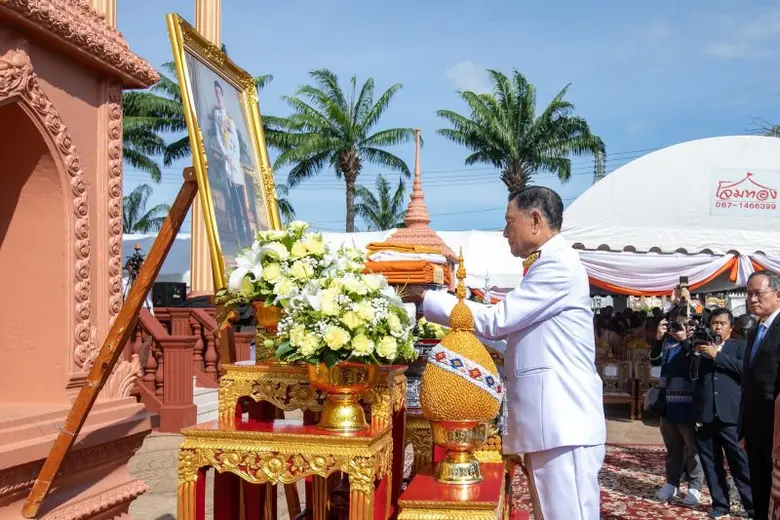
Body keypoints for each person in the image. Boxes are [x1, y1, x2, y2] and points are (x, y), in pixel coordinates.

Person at [405, 186, 606, 519]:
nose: (504, 232)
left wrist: (426, 299)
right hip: (553, 422)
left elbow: (497, 321)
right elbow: (517, 336)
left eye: (510, 222)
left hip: (563, 421)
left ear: (535, 220)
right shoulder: (549, 263)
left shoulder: (557, 264)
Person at [691, 308, 753, 518]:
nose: (717, 327)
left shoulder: (739, 346)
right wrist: (693, 351)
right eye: (714, 323)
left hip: (730, 415)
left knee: (740, 463)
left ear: (731, 327)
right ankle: (719, 504)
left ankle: (751, 506)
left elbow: (745, 370)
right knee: (710, 463)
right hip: (705, 414)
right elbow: (691, 375)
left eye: (722, 323)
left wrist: (717, 355)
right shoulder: (699, 347)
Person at [650, 307, 704, 505]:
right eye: (675, 323)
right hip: (668, 402)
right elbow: (654, 362)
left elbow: (695, 365)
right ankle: (672, 483)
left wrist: (684, 341)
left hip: (689, 404)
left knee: (692, 448)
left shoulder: (697, 343)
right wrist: (658, 339)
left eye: (684, 323)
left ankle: (695, 487)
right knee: (673, 448)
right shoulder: (667, 343)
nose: (679, 327)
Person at [739, 270, 780, 520]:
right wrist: (744, 428)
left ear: (778, 294)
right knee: (760, 489)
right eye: (749, 294)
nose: (753, 299)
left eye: (758, 293)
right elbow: (749, 382)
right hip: (755, 428)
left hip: (776, 427)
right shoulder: (755, 331)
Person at [211, 80, 251, 244]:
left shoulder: (229, 118)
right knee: (233, 198)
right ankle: (239, 233)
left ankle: (246, 233)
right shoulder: (217, 115)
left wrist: (232, 156)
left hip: (235, 160)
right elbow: (220, 137)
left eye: (220, 93)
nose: (218, 96)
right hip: (228, 160)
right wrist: (225, 154)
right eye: (216, 93)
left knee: (241, 197)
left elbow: (234, 138)